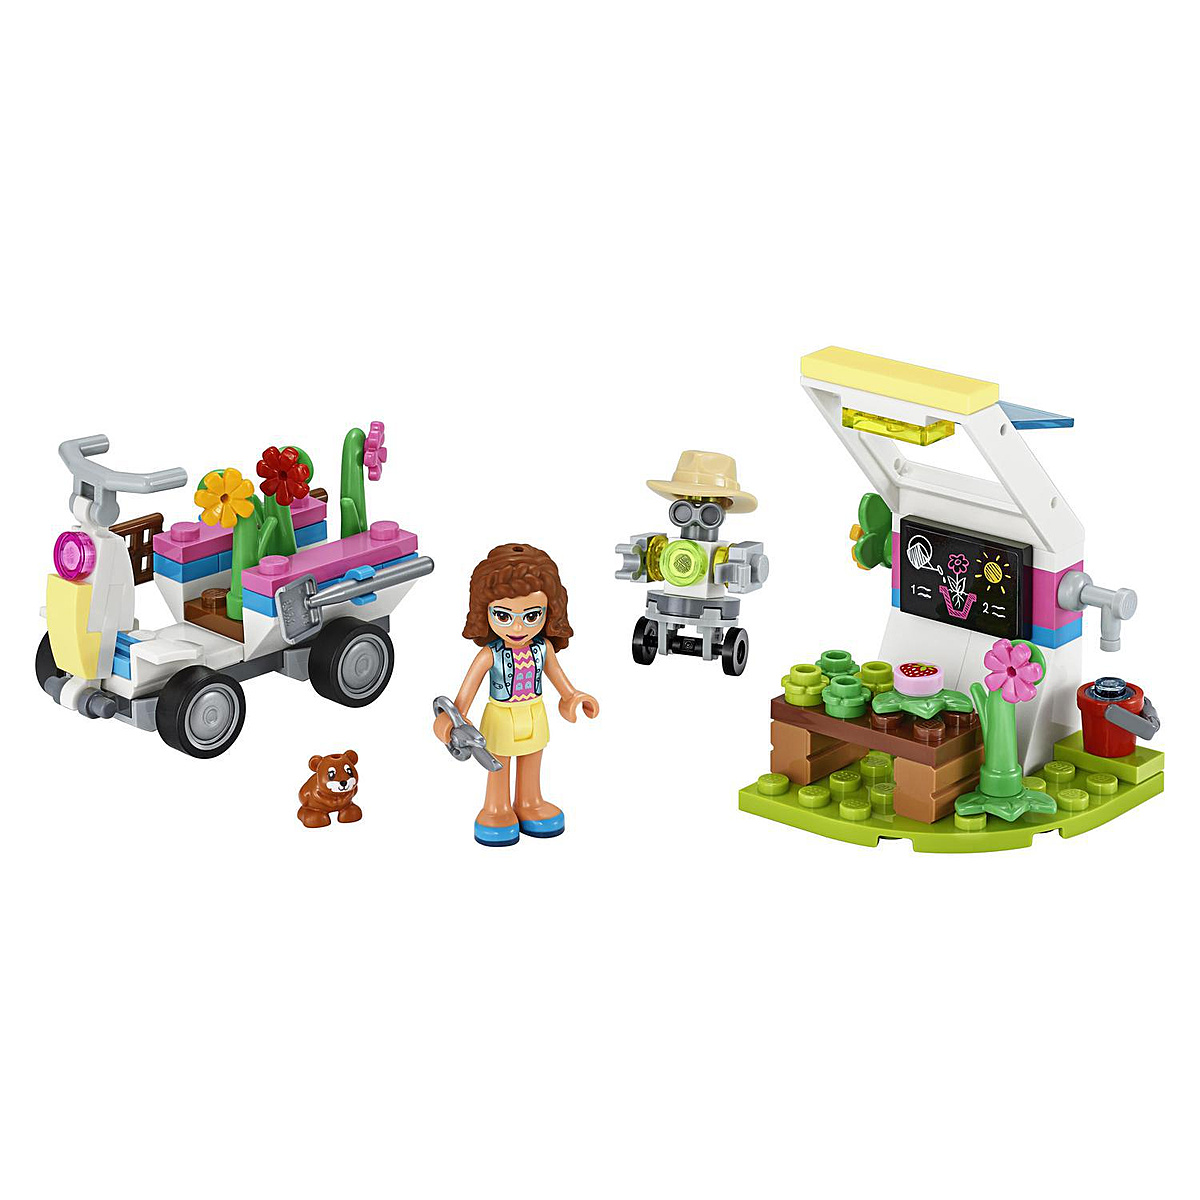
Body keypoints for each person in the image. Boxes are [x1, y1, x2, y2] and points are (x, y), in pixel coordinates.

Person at [433, 543, 599, 847]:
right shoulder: (489, 655)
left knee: (533, 758)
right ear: (485, 612)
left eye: (532, 615)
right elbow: (463, 697)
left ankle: (529, 801)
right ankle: (496, 807)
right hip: (501, 717)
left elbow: (561, 682)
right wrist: (450, 720)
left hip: (534, 713)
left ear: (549, 611)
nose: (519, 626)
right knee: (498, 763)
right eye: (504, 615)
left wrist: (574, 697)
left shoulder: (543, 649)